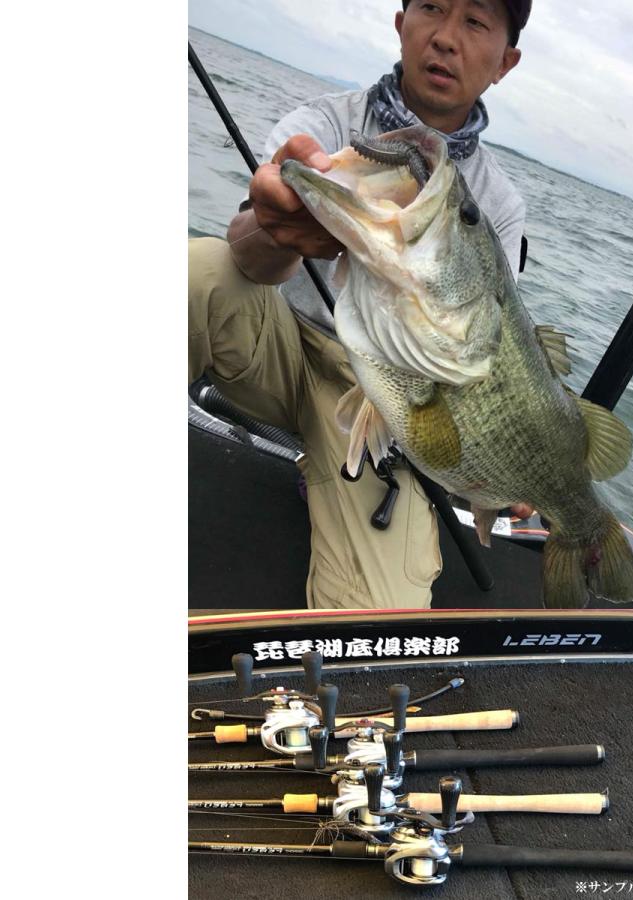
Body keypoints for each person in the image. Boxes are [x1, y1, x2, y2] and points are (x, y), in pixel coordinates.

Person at [188, 0, 533, 609]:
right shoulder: (323, 125)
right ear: (402, 25)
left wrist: (504, 460)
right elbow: (247, 259)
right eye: (432, 7)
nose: (445, 37)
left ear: (505, 62)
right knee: (199, 271)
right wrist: (276, 228)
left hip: (391, 401)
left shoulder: (497, 206)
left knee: (374, 624)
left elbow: (480, 353)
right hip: (279, 347)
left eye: (475, 21)